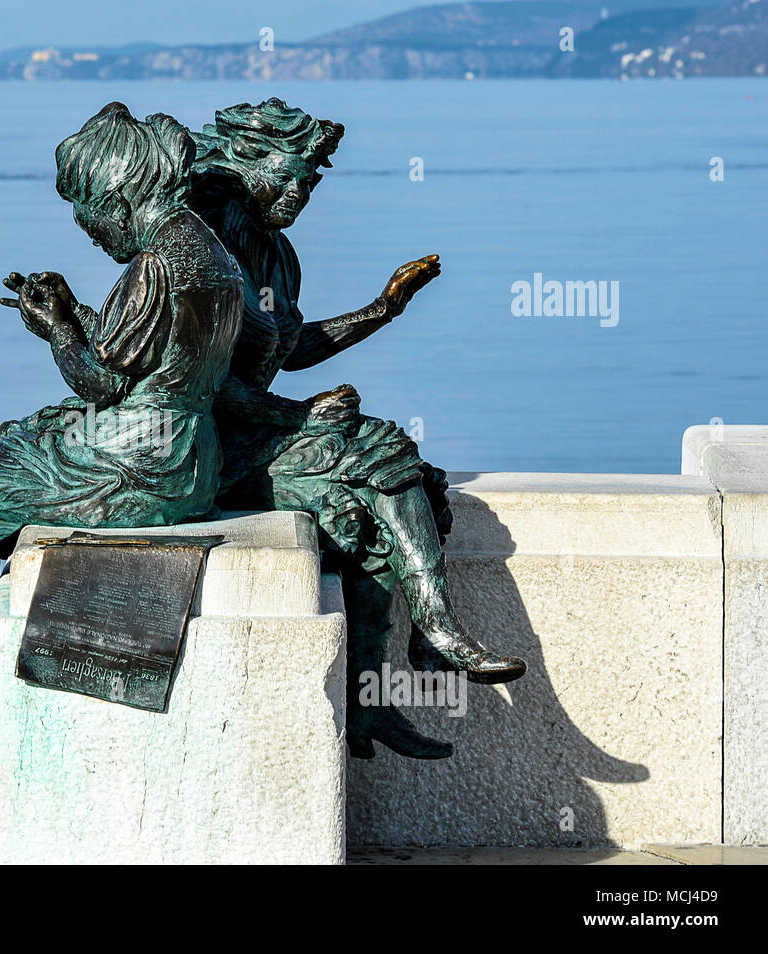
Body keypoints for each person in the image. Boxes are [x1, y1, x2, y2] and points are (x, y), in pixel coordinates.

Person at [0, 103, 244, 749]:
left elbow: (101, 383)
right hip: (185, 453)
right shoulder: (206, 252)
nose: (90, 233)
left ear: (117, 195)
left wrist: (54, 330)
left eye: (88, 216)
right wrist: (73, 313)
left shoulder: (157, 265)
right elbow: (146, 356)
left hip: (138, 463)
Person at [189, 98, 526, 760]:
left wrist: (385, 307)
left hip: (263, 432)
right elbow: (201, 383)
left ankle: (373, 702)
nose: (299, 194)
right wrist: (302, 416)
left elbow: (291, 347)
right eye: (288, 177)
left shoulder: (277, 257)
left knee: (372, 498)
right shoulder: (203, 255)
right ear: (241, 164)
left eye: (311, 182)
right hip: (210, 448)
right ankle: (432, 633)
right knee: (381, 457)